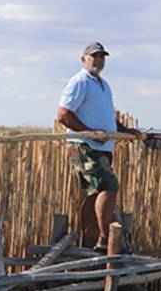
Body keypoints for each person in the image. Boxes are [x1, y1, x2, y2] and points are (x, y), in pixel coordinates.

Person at [56, 41, 142, 251]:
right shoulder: (80, 81)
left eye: (102, 57)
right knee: (108, 185)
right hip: (84, 146)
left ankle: (89, 242)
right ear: (83, 59)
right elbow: (63, 114)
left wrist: (124, 130)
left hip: (101, 148)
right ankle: (105, 241)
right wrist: (91, 133)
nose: (98, 60)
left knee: (94, 193)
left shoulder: (102, 84)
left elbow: (106, 118)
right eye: (94, 56)